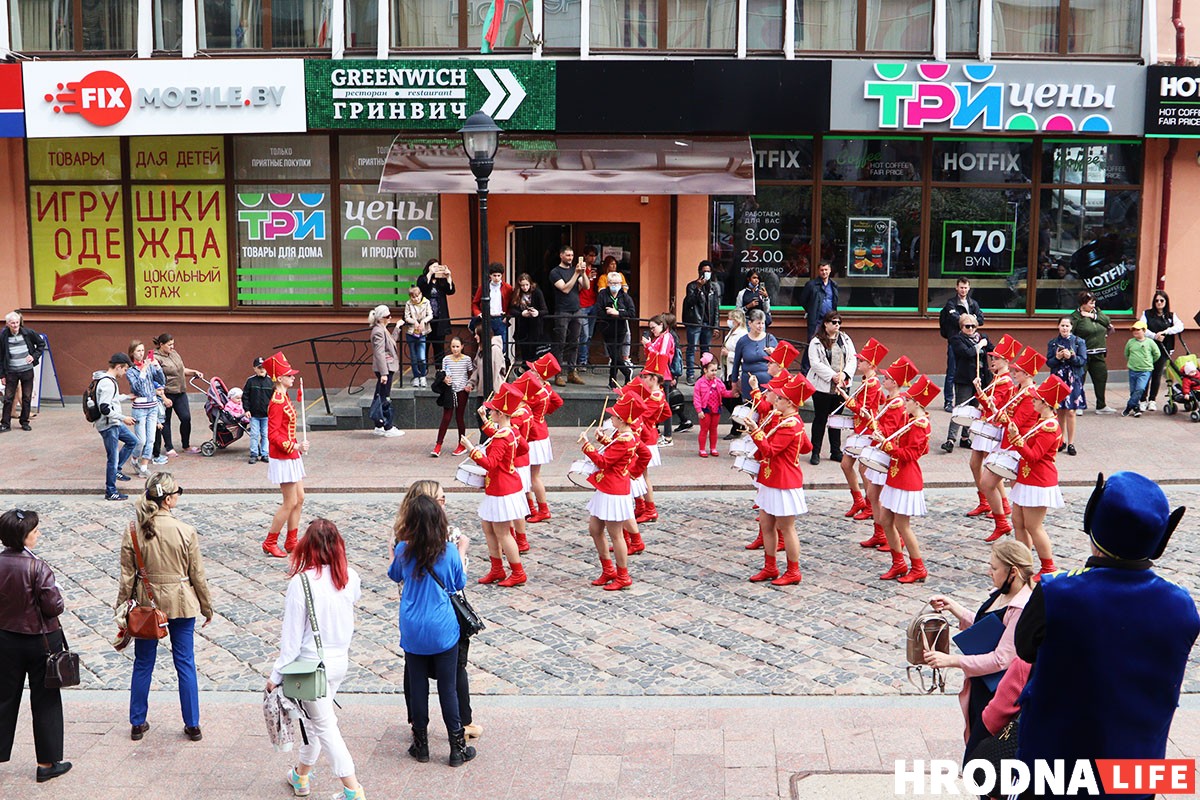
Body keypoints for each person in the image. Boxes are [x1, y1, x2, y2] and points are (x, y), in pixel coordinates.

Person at [1014, 472, 1200, 786]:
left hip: (1056, 766)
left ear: (1093, 521)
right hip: (1137, 769)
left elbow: (1024, 649)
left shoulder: (1057, 592)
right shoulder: (1181, 605)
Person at [267, 518, 366, 800]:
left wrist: (275, 676)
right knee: (315, 722)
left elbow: (291, 640)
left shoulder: (302, 583)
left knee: (324, 726)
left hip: (310, 667)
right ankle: (300, 776)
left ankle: (352, 789)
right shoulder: (350, 576)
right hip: (338, 663)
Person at [116, 472, 213, 743]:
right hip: (181, 602)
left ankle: (137, 722)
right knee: (185, 662)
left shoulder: (134, 530)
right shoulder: (185, 530)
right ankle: (192, 724)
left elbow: (127, 575)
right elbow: (198, 575)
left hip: (148, 604)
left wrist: (121, 606)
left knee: (143, 662)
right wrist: (207, 607)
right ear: (169, 500)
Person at [388, 495, 478, 768]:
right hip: (442, 627)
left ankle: (421, 745)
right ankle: (456, 748)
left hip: (413, 626)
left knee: (418, 687)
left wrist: (391, 551)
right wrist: (461, 551)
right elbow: (458, 581)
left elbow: (394, 575)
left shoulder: (405, 549)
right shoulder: (448, 551)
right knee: (447, 688)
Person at [924, 540, 1034, 752]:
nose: (989, 572)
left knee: (983, 752)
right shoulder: (1001, 593)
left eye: (994, 568)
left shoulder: (1021, 608)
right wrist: (954, 607)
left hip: (998, 694)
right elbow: (989, 626)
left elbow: (1001, 658)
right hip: (982, 685)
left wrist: (951, 661)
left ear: (1013, 572)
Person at [0, 508, 71, 783]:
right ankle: (47, 763)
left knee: (4, 698)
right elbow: (53, 606)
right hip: (41, 640)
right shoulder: (37, 567)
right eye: (34, 531)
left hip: (5, 637)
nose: (38, 534)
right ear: (23, 537)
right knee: (46, 700)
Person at [745, 374, 815, 586]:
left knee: (786, 527)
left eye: (781, 399)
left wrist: (755, 432)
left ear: (791, 403)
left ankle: (793, 570)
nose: (776, 400)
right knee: (767, 524)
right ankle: (770, 567)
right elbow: (807, 448)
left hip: (783, 480)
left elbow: (770, 450)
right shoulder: (789, 421)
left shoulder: (790, 425)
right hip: (771, 477)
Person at [876, 374, 939, 584]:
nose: (905, 402)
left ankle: (918, 566)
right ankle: (898, 563)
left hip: (906, 478)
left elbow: (912, 455)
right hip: (896, 475)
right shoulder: (911, 420)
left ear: (917, 403)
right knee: (886, 520)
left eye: (909, 400)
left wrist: (888, 447)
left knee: (903, 525)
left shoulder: (920, 425)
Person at [463, 383, 528, 588]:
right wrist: (484, 420)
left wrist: (472, 450)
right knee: (488, 526)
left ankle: (517, 572)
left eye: (492, 411)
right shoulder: (511, 432)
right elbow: (522, 448)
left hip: (502, 488)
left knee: (502, 532)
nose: (490, 411)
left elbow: (490, 463)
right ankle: (497, 568)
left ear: (500, 414)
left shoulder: (503, 437)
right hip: (502, 484)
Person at [1007, 375, 1069, 579]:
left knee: (1033, 526)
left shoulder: (1049, 426)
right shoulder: (1041, 421)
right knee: (1017, 521)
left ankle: (1048, 566)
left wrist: (1016, 440)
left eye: (1036, 399)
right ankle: (1023, 562)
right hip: (1027, 478)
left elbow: (1034, 456)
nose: (1032, 400)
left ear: (1045, 404)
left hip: (1038, 480)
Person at [579, 391, 643, 590]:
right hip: (608, 487)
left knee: (616, 534)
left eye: (614, 416)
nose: (611, 418)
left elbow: (605, 461)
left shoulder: (626, 439)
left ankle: (623, 575)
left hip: (614, 490)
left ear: (622, 419)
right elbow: (615, 453)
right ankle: (608, 569)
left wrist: (587, 445)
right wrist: (603, 441)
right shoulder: (623, 436)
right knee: (595, 529)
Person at [838, 337, 889, 534]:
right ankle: (859, 500)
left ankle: (869, 504)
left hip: (867, 429)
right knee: (846, 464)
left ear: (871, 364)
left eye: (861, 361)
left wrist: (845, 397)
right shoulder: (867, 381)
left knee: (863, 469)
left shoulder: (872, 384)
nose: (858, 363)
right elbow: (882, 399)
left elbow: (863, 410)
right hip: (860, 428)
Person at [261, 352, 309, 558]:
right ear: (279, 378)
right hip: (283, 456)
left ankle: (292, 540)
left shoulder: (284, 397)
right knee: (289, 502)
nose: (292, 378)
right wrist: (295, 446)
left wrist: (297, 446)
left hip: (291, 455)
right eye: (288, 375)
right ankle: (270, 541)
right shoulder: (277, 402)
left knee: (300, 498)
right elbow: (273, 435)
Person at [806, 311, 856, 466]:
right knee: (820, 418)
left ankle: (835, 451)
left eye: (839, 322)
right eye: (834, 322)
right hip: (822, 386)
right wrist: (833, 375)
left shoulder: (845, 339)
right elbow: (815, 363)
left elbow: (852, 358)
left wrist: (845, 374)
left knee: (836, 420)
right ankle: (815, 451)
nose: (837, 325)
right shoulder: (816, 341)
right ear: (826, 324)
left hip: (841, 385)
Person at [519, 355, 564, 524]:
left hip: (532, 435)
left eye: (533, 370)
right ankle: (532, 509)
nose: (530, 371)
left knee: (531, 477)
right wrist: (543, 413)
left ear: (539, 375)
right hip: (541, 431)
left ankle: (540, 509)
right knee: (531, 475)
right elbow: (558, 402)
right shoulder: (546, 388)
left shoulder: (534, 392)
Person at [941, 314, 991, 453]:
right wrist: (980, 345)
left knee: (973, 409)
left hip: (980, 378)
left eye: (973, 326)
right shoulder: (957, 339)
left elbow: (992, 349)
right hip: (964, 379)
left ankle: (965, 437)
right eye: (967, 326)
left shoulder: (982, 336)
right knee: (961, 409)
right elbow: (967, 353)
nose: (970, 329)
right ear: (961, 327)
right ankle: (951, 439)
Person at [93, 352, 139, 502]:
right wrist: (123, 418)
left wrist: (126, 396)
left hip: (114, 423)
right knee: (112, 458)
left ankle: (117, 470)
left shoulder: (107, 380)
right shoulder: (107, 382)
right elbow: (104, 408)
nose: (124, 373)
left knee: (132, 440)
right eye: (125, 369)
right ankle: (110, 491)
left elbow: (111, 399)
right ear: (119, 367)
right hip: (109, 425)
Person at [152, 333, 204, 456]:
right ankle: (169, 447)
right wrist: (162, 396)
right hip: (166, 393)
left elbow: (181, 370)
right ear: (161, 345)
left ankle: (186, 445)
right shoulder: (155, 358)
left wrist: (193, 372)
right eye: (169, 345)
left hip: (180, 391)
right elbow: (154, 377)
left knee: (186, 418)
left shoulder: (174, 354)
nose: (172, 347)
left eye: (173, 344)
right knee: (166, 421)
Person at [937, 277, 983, 410]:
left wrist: (972, 319)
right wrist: (970, 319)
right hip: (955, 341)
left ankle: (967, 401)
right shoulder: (950, 303)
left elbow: (981, 319)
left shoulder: (973, 303)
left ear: (969, 288)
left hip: (970, 342)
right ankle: (948, 401)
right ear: (956, 288)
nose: (963, 290)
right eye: (961, 287)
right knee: (952, 371)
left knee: (970, 371)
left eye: (965, 287)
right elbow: (955, 318)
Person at [549, 244, 590, 386]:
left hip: (576, 310)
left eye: (572, 255)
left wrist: (583, 273)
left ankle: (572, 372)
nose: (570, 258)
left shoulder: (575, 270)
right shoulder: (555, 272)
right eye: (567, 255)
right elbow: (565, 289)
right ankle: (558, 374)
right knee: (560, 343)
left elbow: (586, 286)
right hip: (562, 311)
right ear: (561, 255)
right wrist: (575, 274)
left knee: (575, 342)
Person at [1045, 317, 1087, 455]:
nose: (1064, 328)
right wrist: (1057, 358)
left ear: (1071, 327)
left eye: (1067, 326)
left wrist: (1071, 357)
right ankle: (1060, 440)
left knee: (1071, 411)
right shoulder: (1053, 343)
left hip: (1073, 379)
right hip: (1058, 379)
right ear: (1058, 326)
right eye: (1062, 325)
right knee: (1060, 411)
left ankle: (1071, 443)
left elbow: (1082, 361)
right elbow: (1049, 363)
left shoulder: (1079, 342)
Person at [1069, 291, 1115, 413]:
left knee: (1101, 378)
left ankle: (1101, 405)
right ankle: (1078, 405)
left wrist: (1092, 316)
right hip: (1083, 355)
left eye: (1094, 302)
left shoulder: (1098, 312)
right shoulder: (1075, 317)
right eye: (1090, 303)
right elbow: (1070, 334)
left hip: (1099, 352)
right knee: (1079, 379)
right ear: (1083, 304)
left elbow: (1107, 321)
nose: (1093, 305)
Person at [126, 340, 166, 478]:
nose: (141, 353)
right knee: (141, 440)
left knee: (151, 439)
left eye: (143, 350)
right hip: (140, 408)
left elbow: (162, 381)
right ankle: (134, 459)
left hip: (153, 406)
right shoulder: (131, 371)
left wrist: (157, 367)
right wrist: (143, 370)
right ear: (132, 353)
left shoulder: (149, 366)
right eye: (138, 351)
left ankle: (144, 466)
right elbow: (137, 388)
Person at [1139, 289, 1184, 411]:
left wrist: (1165, 331)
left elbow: (1180, 326)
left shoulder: (1171, 316)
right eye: (1156, 300)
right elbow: (1141, 327)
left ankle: (1152, 400)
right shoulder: (1147, 314)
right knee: (1146, 374)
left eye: (1161, 300)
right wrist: (1154, 336)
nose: (1159, 303)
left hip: (1164, 349)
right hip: (1148, 349)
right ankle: (1142, 400)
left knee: (1157, 374)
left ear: (1166, 302)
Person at [0, 311, 44, 433]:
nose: (15, 325)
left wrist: (33, 357)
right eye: (12, 323)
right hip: (11, 372)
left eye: (17, 322)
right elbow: (1, 356)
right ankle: (5, 423)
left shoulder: (28, 333)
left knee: (26, 397)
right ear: (8, 324)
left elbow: (41, 344)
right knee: (8, 398)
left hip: (26, 371)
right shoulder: (3, 336)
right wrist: (2, 375)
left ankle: (24, 421)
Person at [431, 337, 474, 458]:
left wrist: (469, 385)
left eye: (457, 346)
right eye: (453, 347)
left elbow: (470, 374)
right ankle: (438, 445)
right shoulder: (446, 359)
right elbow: (444, 373)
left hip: (462, 391)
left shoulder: (467, 360)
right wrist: (444, 379)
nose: (455, 349)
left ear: (462, 347)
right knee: (446, 417)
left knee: (459, 417)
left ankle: (462, 444)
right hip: (450, 391)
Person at [368, 305, 405, 438]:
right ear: (381, 318)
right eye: (388, 316)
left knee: (380, 395)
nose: (390, 318)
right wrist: (384, 373)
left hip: (387, 368)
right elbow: (379, 353)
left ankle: (379, 425)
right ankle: (387, 426)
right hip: (386, 368)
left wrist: (397, 328)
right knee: (385, 397)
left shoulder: (382, 329)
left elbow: (391, 343)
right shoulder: (378, 331)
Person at [595, 271, 636, 387]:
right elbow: (598, 311)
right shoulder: (602, 295)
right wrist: (608, 314)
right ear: (608, 283)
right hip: (607, 329)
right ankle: (626, 372)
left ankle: (613, 381)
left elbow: (632, 313)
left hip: (620, 329)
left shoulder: (625, 296)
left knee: (615, 355)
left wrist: (618, 313)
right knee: (614, 355)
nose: (614, 285)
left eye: (617, 283)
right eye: (612, 283)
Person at [683, 261, 722, 383]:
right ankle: (690, 374)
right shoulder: (692, 286)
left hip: (707, 323)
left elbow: (716, 308)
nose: (706, 273)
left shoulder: (713, 288)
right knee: (692, 349)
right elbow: (690, 302)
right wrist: (698, 288)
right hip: (695, 322)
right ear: (699, 272)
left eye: (708, 271)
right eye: (704, 271)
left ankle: (704, 374)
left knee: (706, 351)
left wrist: (715, 326)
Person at [693, 353, 734, 458]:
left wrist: (732, 393)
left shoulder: (719, 382)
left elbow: (724, 392)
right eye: (712, 370)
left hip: (716, 408)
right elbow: (696, 398)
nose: (714, 373)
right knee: (704, 429)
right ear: (705, 370)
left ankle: (713, 448)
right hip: (705, 409)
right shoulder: (700, 383)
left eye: (716, 370)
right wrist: (699, 410)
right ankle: (702, 449)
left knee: (714, 429)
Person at [730, 309, 778, 399]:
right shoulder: (742, 341)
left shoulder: (770, 339)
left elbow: (781, 361)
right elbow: (736, 363)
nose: (761, 326)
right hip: (748, 382)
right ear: (750, 324)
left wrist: (774, 353)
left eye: (762, 323)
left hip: (767, 382)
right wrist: (734, 382)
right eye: (758, 323)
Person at [416, 259, 456, 365]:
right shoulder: (423, 278)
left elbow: (451, 291)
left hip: (440, 318)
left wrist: (448, 276)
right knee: (424, 345)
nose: (436, 269)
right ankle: (423, 370)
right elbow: (420, 288)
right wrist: (429, 273)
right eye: (433, 267)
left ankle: (439, 370)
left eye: (438, 267)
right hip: (426, 319)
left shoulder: (441, 281)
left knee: (439, 346)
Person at [470, 262, 513, 359]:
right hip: (486, 318)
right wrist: (479, 314)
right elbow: (475, 303)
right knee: (485, 345)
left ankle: (500, 366)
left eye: (499, 275)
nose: (497, 278)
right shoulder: (484, 287)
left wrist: (507, 317)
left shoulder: (508, 288)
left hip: (500, 319)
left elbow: (511, 305)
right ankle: (486, 368)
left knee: (502, 346)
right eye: (494, 275)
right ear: (490, 275)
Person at [720, 308, 749, 439]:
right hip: (727, 369)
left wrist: (729, 354)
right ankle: (738, 423)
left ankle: (737, 427)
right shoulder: (732, 332)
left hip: (735, 371)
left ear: (736, 320)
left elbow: (743, 356)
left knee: (734, 399)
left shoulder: (742, 334)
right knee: (726, 398)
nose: (728, 321)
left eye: (730, 318)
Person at [509, 273, 548, 368]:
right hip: (522, 327)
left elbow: (545, 310)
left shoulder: (537, 292)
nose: (525, 287)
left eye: (527, 285)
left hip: (535, 327)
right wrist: (521, 313)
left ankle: (532, 372)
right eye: (522, 285)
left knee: (534, 352)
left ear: (530, 284)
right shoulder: (517, 293)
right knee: (524, 351)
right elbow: (512, 309)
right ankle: (525, 371)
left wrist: (537, 313)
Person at [797, 260, 839, 344]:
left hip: (830, 320)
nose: (824, 272)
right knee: (813, 343)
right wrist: (812, 309)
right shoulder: (811, 285)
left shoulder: (834, 285)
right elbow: (802, 300)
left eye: (826, 270)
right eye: (822, 270)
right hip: (816, 320)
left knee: (829, 343)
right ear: (818, 271)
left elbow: (835, 302)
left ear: (830, 270)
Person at [1123, 320, 1158, 418]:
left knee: (1140, 388)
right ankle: (1136, 408)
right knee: (1133, 391)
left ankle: (1129, 406)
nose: (1135, 332)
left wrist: (1149, 362)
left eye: (1138, 330)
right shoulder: (1130, 342)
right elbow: (1126, 354)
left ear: (1144, 331)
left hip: (1145, 370)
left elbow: (1157, 354)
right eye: (1133, 330)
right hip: (1133, 370)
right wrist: (1132, 362)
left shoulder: (1150, 342)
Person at [242, 357, 273, 465]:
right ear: (254, 368)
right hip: (254, 414)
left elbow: (274, 399)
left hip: (266, 414)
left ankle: (265, 453)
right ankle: (254, 454)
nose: (262, 369)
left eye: (264, 367)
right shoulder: (250, 381)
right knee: (254, 434)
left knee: (265, 434)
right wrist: (246, 409)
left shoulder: (271, 382)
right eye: (259, 367)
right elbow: (245, 396)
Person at [403, 284, 433, 388]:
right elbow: (406, 317)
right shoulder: (408, 304)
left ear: (421, 294)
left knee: (422, 356)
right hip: (411, 332)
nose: (415, 299)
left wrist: (423, 321)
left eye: (417, 296)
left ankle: (423, 376)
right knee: (413, 356)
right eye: (413, 297)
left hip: (422, 332)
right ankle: (416, 376)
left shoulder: (426, 302)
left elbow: (430, 315)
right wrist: (414, 321)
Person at [576, 247, 598, 371]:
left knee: (589, 335)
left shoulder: (595, 270)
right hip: (581, 305)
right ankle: (582, 361)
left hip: (593, 304)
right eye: (590, 255)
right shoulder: (580, 270)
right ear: (584, 256)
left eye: (594, 256)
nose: (593, 258)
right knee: (584, 335)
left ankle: (585, 358)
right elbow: (577, 288)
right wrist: (586, 277)